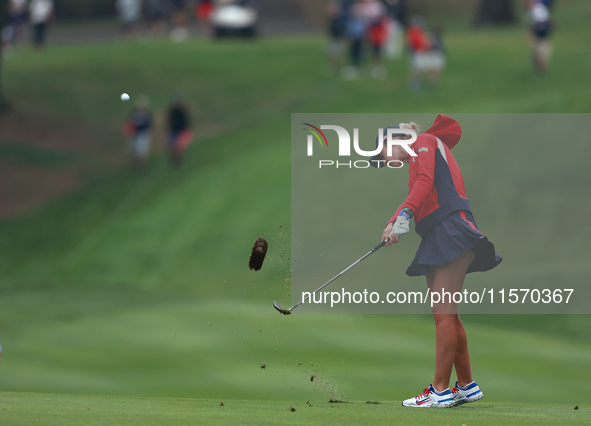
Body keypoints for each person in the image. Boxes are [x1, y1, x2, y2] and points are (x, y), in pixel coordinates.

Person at [370, 114, 502, 407]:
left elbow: (427, 181)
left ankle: (440, 391)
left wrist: (404, 216)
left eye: (383, 154)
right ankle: (466, 385)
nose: (387, 161)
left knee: (443, 313)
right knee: (446, 313)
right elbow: (415, 191)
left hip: (450, 228)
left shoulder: (424, 142)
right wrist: (394, 221)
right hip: (438, 233)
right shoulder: (416, 156)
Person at [124, 95, 153, 169]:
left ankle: (141, 165)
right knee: (134, 151)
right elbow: (130, 122)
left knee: (142, 152)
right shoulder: (134, 113)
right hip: (135, 134)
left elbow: (148, 125)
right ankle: (136, 165)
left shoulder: (147, 114)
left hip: (143, 134)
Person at [167, 94, 192, 167]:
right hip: (173, 131)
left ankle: (178, 161)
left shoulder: (182, 111)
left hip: (181, 131)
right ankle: (174, 161)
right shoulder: (172, 111)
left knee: (178, 147)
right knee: (173, 147)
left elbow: (185, 122)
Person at [529, 1, 553, 74]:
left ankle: (541, 65)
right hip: (542, 30)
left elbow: (535, 22)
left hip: (539, 29)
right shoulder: (540, 8)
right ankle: (541, 65)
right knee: (541, 48)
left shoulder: (536, 9)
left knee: (539, 48)